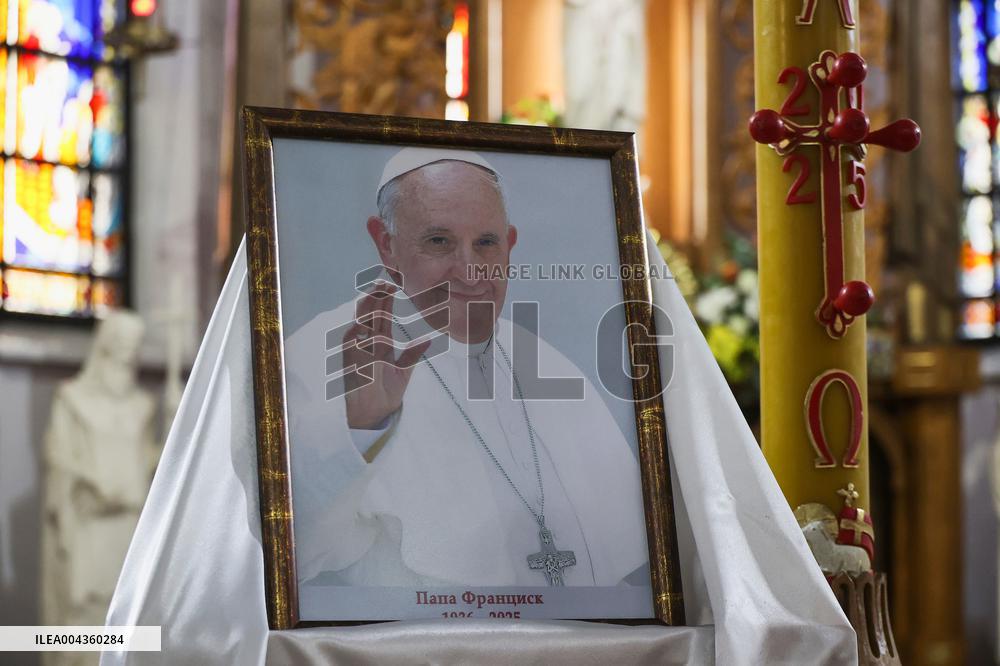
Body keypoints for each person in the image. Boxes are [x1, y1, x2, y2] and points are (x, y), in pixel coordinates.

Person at [284, 147, 648, 588]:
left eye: (486, 243)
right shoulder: (316, 358)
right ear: (387, 244)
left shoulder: (543, 362)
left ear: (510, 245)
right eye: (439, 241)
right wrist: (362, 428)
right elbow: (289, 557)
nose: (470, 270)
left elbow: (627, 561)